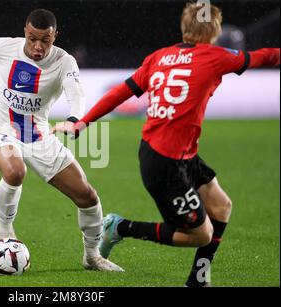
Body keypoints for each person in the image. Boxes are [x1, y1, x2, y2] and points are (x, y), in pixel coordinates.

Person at [52, 3, 280, 286]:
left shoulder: (159, 57)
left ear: (184, 28)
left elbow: (121, 91)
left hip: (175, 154)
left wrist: (82, 122)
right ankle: (120, 227)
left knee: (221, 206)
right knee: (201, 234)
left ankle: (198, 279)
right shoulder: (216, 56)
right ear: (216, 32)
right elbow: (267, 56)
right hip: (166, 164)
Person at [0, 9, 123, 272]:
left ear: (55, 37)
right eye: (32, 39)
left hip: (39, 137)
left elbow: (76, 91)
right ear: (25, 32)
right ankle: (5, 231)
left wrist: (75, 118)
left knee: (87, 196)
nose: (38, 46)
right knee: (16, 170)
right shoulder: (4, 47)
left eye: (46, 40)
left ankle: (92, 257)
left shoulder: (64, 62)